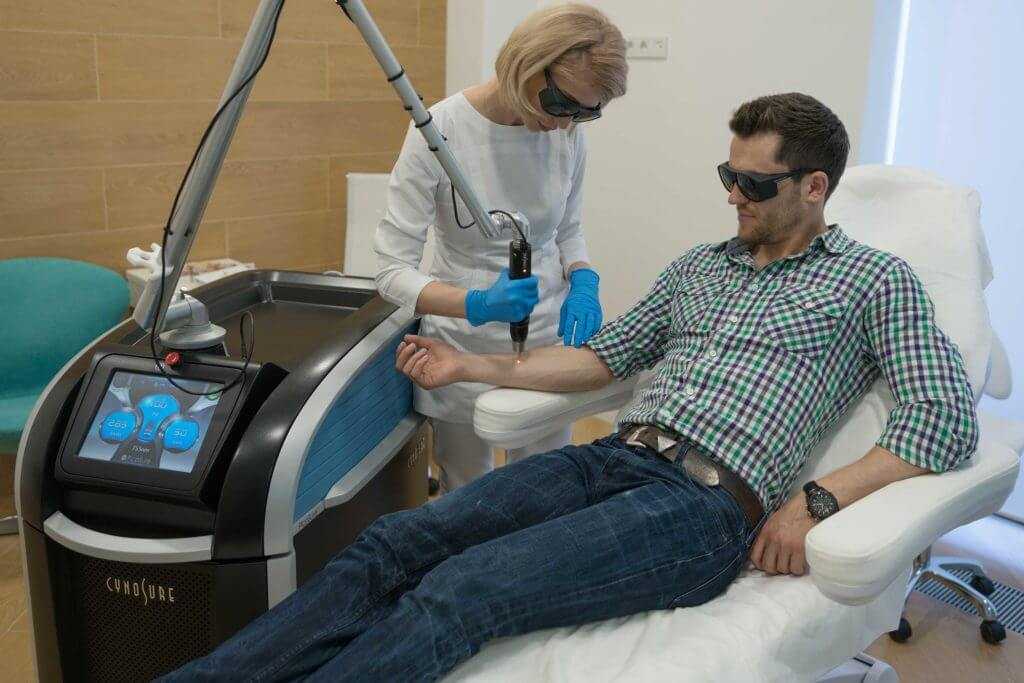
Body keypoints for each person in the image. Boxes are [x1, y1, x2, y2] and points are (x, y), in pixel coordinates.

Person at [162, 93, 977, 682]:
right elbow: (604, 358)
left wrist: (818, 499)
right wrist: (469, 365)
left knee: (460, 591)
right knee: (390, 545)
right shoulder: (701, 267)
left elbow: (944, 415)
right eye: (726, 174)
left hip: (700, 507)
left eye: (755, 184)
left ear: (815, 187)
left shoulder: (874, 281)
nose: (733, 195)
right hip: (608, 459)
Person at [374, 4, 627, 492]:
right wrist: (476, 303)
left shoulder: (567, 134)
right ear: (525, 65)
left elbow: (567, 229)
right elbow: (389, 272)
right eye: (562, 104)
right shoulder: (439, 130)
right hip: (460, 345)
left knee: (543, 488)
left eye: (586, 113)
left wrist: (584, 278)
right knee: (467, 492)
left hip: (546, 341)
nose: (565, 125)